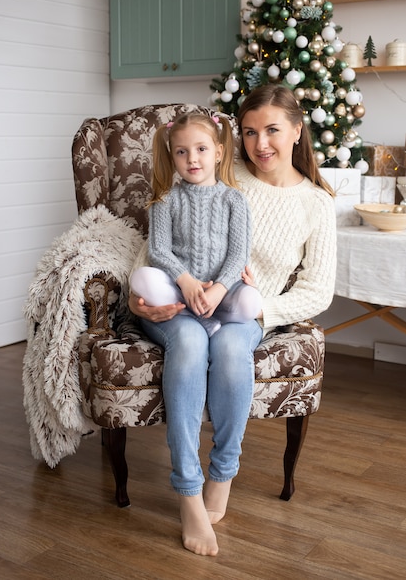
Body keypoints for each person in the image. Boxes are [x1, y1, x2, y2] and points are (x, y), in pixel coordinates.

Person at [128, 84, 337, 557]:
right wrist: (138, 301)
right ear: (234, 139)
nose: (260, 144)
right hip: (180, 304)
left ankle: (222, 473)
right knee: (188, 344)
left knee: (227, 347)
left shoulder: (316, 204)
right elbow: (150, 252)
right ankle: (186, 488)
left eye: (272, 131)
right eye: (249, 132)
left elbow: (318, 290)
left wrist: (260, 305)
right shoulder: (219, 169)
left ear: (297, 131)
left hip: (245, 308)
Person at [130, 112, 262, 337]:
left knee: (251, 301)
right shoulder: (165, 200)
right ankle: (198, 319)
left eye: (201, 149)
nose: (192, 158)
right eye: (182, 152)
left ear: (218, 153)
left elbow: (238, 255)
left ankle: (212, 314)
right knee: (141, 278)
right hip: (180, 290)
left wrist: (219, 289)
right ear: (173, 157)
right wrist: (186, 281)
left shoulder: (234, 200)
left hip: (222, 293)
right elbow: (158, 251)